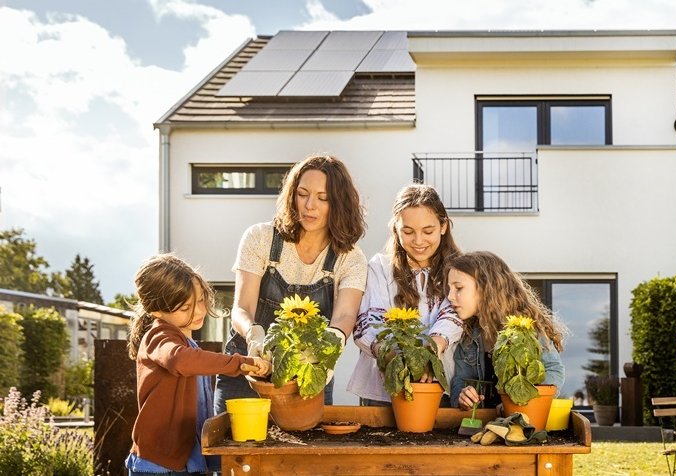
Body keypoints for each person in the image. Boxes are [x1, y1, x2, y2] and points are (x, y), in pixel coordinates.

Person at [213, 155, 368, 413]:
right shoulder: (260, 238)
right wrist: (254, 336)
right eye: (302, 194)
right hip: (248, 368)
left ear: (339, 203)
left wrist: (327, 349)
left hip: (306, 375)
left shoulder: (350, 258)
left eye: (323, 198)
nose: (309, 205)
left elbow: (344, 316)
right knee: (235, 439)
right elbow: (242, 307)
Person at [125, 254, 270, 475]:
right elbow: (179, 359)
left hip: (188, 462)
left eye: (201, 300)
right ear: (156, 311)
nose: (200, 311)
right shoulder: (158, 337)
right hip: (159, 467)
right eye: (186, 308)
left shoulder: (188, 343)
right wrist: (239, 363)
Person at [348, 184, 463, 405]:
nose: (418, 241)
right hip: (382, 391)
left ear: (443, 226)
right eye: (408, 232)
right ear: (396, 229)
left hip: (438, 387)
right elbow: (368, 321)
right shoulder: (380, 267)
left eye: (428, 231)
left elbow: (454, 315)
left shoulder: (458, 269)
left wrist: (429, 353)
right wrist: (393, 359)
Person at [446, 251, 566, 410]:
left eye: (458, 288)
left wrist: (518, 403)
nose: (450, 296)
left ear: (486, 288)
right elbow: (461, 380)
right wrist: (462, 396)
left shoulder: (526, 329)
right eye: (449, 288)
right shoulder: (467, 334)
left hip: (523, 421)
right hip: (483, 421)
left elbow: (554, 372)